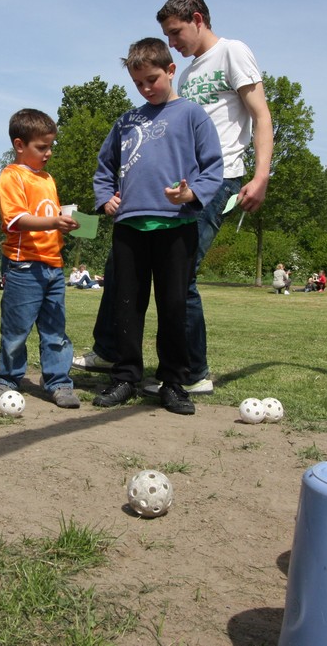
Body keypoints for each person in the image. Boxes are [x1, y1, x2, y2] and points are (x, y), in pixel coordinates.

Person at [73, 0, 274, 398]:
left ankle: (189, 372)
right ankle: (113, 352)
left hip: (217, 178)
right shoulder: (184, 76)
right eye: (166, 35)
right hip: (170, 189)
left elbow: (260, 114)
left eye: (176, 32)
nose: (172, 41)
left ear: (197, 19)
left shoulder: (232, 52)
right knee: (122, 272)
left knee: (179, 280)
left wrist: (261, 174)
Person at [89, 38, 222, 416]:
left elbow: (214, 167)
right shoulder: (126, 121)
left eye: (152, 79)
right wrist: (105, 198)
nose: (146, 88)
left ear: (171, 70)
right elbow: (104, 166)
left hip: (176, 226)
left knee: (174, 307)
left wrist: (191, 194)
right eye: (139, 83)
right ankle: (125, 376)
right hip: (130, 226)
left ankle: (174, 382)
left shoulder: (192, 115)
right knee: (126, 305)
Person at [0, 108, 81, 409]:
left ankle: (58, 382)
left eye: (50, 146)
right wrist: (54, 221)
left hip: (53, 265)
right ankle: (7, 379)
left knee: (55, 330)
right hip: (23, 265)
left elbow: (49, 215)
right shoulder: (12, 176)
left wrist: (65, 221)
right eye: (42, 147)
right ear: (19, 145)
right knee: (16, 330)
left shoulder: (48, 179)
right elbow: (16, 220)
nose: (48, 153)